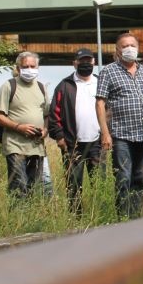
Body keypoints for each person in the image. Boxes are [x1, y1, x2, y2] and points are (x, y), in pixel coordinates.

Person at [96, 34, 143, 217]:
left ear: (138, 48)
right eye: (125, 46)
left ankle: (136, 217)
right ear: (118, 50)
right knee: (123, 177)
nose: (129, 48)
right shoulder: (108, 71)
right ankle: (123, 217)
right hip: (121, 134)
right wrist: (105, 133)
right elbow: (100, 103)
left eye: (133, 45)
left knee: (141, 178)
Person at [48, 48, 103, 215]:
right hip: (72, 145)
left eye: (89, 61)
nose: (86, 64)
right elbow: (54, 113)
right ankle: (75, 218)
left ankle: (99, 216)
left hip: (97, 143)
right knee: (73, 185)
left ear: (94, 62)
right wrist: (59, 137)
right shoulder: (64, 86)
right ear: (74, 63)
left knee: (99, 183)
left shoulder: (101, 83)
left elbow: (110, 110)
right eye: (82, 61)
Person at [0, 52, 49, 198]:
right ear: (18, 67)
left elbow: (47, 115)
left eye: (32, 66)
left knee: (34, 188)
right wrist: (19, 127)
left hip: (36, 147)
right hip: (15, 145)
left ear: (38, 67)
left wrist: (45, 130)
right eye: (25, 66)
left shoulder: (42, 88)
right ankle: (17, 216)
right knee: (19, 185)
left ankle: (30, 218)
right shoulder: (9, 86)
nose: (29, 69)